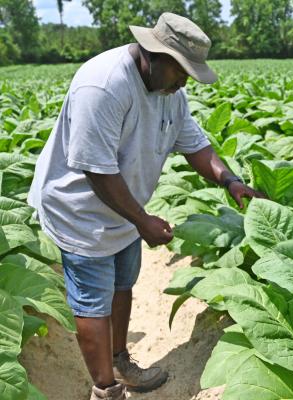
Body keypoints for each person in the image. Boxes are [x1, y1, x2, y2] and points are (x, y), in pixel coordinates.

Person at [27, 12, 264, 400]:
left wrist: (230, 181)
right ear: (154, 55)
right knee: (92, 302)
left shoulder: (169, 92)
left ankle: (120, 360)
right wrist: (143, 221)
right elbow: (96, 171)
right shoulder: (103, 85)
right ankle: (105, 389)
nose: (186, 80)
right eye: (182, 71)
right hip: (79, 210)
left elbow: (195, 145)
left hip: (125, 211)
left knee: (123, 284)